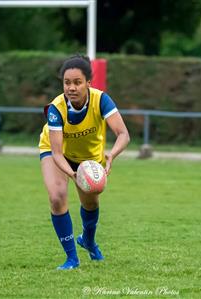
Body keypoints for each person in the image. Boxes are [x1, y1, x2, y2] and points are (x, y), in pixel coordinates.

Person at [39, 55, 130, 269]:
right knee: (57, 196)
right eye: (67, 82)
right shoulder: (56, 109)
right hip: (57, 153)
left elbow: (123, 134)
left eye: (77, 82)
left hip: (89, 158)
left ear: (88, 83)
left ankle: (88, 240)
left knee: (91, 202)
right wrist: (72, 174)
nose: (71, 87)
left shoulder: (101, 100)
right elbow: (57, 153)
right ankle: (71, 258)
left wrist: (111, 156)